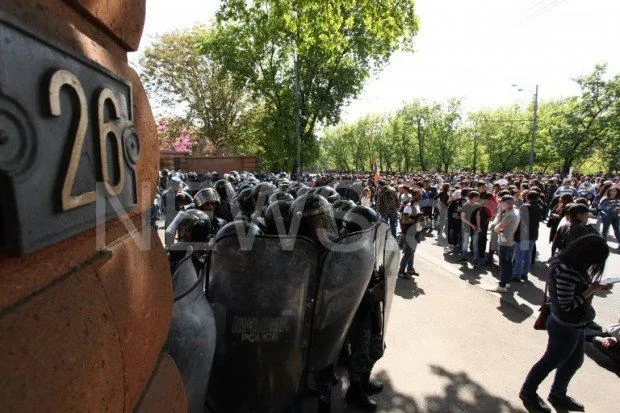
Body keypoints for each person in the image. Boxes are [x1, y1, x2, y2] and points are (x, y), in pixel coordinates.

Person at [520, 235, 612, 413]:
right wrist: (591, 289)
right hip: (565, 326)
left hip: (574, 325)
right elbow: (567, 305)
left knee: (574, 361)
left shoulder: (568, 260)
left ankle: (558, 394)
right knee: (550, 361)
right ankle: (528, 392)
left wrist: (593, 287)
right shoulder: (568, 270)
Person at [487, 195, 520, 293]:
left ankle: (502, 285)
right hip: (511, 241)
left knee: (504, 264)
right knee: (508, 263)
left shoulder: (509, 214)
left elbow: (496, 228)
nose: (500, 204)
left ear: (506, 203)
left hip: (505, 242)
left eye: (501, 202)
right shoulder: (516, 211)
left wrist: (499, 228)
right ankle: (507, 282)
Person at [398, 189, 423, 279]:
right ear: (414, 196)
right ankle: (401, 272)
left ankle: (410, 269)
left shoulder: (416, 205)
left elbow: (416, 217)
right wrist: (415, 220)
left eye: (421, 195)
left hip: (415, 232)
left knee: (412, 252)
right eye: (419, 195)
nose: (421, 197)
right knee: (408, 253)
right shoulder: (408, 207)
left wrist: (421, 219)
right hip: (409, 233)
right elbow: (404, 220)